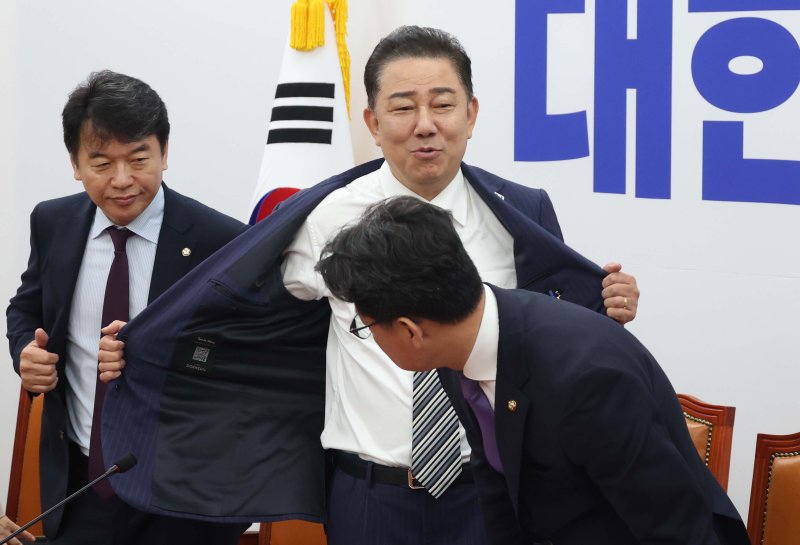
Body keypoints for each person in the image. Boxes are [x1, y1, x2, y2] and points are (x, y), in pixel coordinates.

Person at [98, 26, 638, 544]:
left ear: (471, 114)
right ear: (373, 123)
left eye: (442, 105)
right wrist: (142, 344)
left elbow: (547, 331)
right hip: (369, 500)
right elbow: (239, 320)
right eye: (403, 108)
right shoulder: (320, 218)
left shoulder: (519, 213)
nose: (425, 125)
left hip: (489, 495)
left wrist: (604, 308)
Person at [315, 195, 751, 545]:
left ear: (411, 331)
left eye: (366, 326)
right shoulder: (457, 349)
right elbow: (497, 484)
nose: (369, 337)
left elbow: (675, 530)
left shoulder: (587, 379)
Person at [6, 70, 248, 545]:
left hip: (183, 496)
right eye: (101, 163)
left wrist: (153, 353)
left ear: (164, 153)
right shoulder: (53, 222)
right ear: (76, 164)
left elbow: (241, 357)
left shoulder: (220, 240)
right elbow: (26, 307)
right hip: (81, 487)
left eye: (138, 159)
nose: (122, 181)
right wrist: (24, 353)